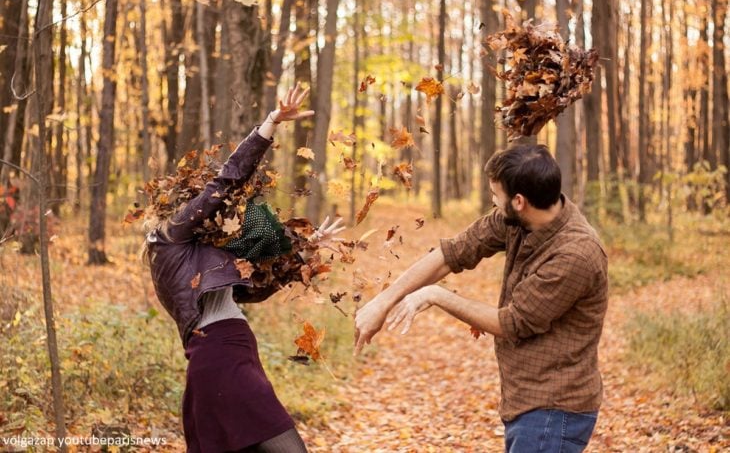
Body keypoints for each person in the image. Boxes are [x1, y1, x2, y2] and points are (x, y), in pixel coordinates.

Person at [354, 144, 608, 452]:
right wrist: (384, 301)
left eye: (494, 193)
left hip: (554, 409)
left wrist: (437, 295)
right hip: (527, 400)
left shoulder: (576, 254)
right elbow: (453, 253)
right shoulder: (517, 219)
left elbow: (513, 322)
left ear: (519, 201)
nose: (491, 200)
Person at [143, 83, 345, 453]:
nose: (207, 206)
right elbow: (225, 182)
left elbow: (254, 289)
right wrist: (270, 123)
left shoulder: (194, 252)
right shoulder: (172, 235)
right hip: (221, 358)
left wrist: (306, 249)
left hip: (233, 354)